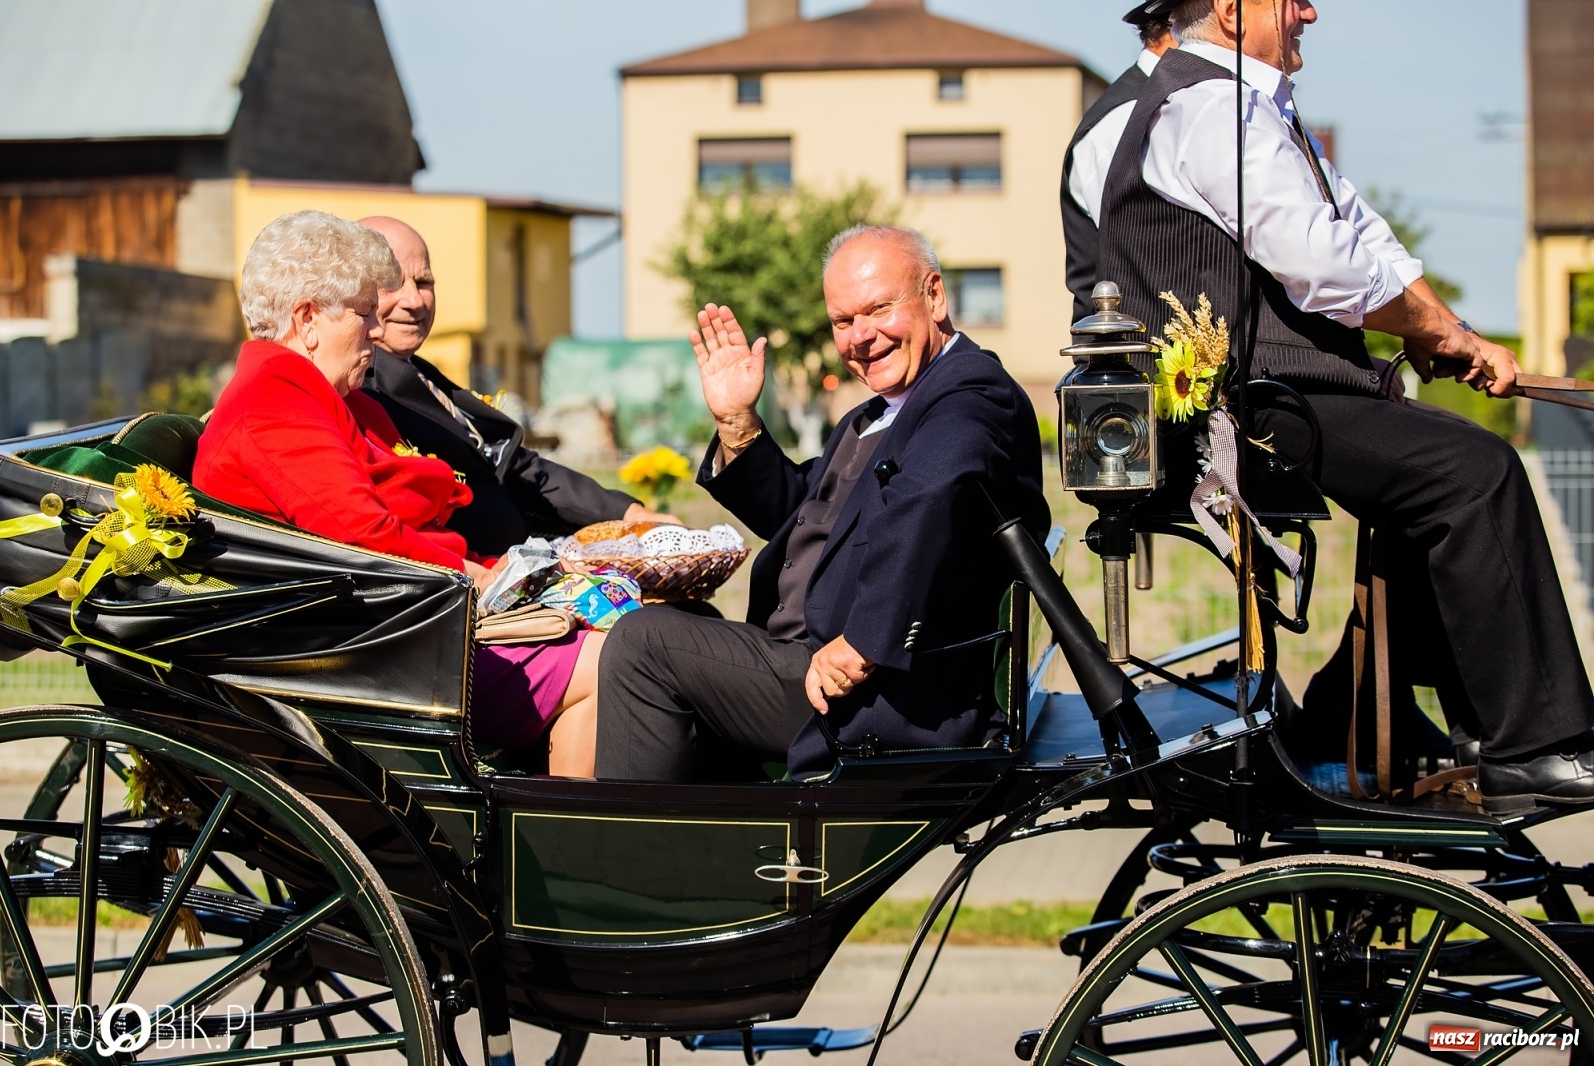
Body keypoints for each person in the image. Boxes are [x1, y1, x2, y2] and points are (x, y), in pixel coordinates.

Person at [1091, 0, 1594, 808]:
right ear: (1230, 9)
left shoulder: (1253, 107)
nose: (1310, 13)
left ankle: (1380, 717)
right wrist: (1441, 331)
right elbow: (1320, 264)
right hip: (1252, 406)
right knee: (1478, 474)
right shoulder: (1210, 110)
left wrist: (1451, 330)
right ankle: (1531, 745)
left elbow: (1363, 232)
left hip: (1288, 388)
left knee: (1438, 482)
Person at [593, 226, 1050, 783]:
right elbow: (805, 512)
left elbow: (930, 494)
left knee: (643, 643)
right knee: (677, 620)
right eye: (842, 321)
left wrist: (861, 643)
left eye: (879, 309)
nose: (861, 335)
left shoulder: (973, 393)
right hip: (808, 661)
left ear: (934, 296)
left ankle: (629, 853)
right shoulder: (877, 413)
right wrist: (737, 422)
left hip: (880, 693)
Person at [193, 210, 602, 777]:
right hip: (372, 655)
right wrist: (480, 573)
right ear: (307, 319)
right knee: (613, 666)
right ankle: (566, 856)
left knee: (621, 639)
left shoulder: (321, 397)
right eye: (362, 313)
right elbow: (365, 537)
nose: (375, 330)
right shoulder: (274, 404)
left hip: (401, 628)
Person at [354, 216, 675, 559]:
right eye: (392, 282)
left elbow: (515, 465)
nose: (415, 300)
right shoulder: (358, 389)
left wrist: (630, 514)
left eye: (424, 281)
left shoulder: (419, 375)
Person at [1061, 0, 1178, 324]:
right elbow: (1141, 260)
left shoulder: (1158, 108)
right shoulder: (1127, 119)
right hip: (1138, 360)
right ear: (1179, 26)